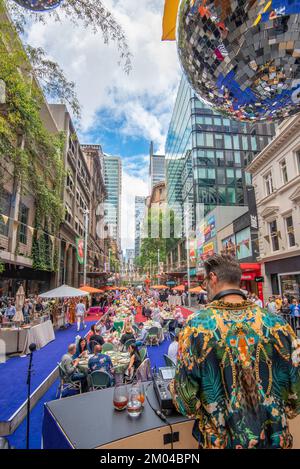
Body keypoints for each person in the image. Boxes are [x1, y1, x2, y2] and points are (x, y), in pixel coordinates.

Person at [169, 254, 300, 449]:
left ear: (213, 278)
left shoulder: (196, 327)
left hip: (221, 443)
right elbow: (295, 395)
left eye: (205, 282)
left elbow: (185, 402)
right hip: (275, 440)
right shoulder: (277, 323)